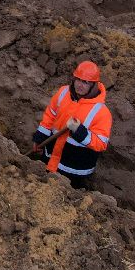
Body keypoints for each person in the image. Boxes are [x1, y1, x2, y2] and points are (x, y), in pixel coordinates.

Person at [29, 61, 113, 190]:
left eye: (85, 82)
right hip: (50, 157)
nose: (80, 85)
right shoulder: (63, 93)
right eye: (78, 79)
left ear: (94, 85)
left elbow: (101, 143)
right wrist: (40, 137)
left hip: (73, 171)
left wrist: (80, 132)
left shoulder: (101, 112)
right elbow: (50, 115)